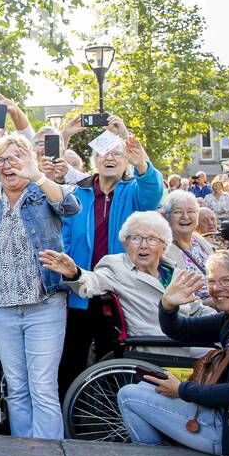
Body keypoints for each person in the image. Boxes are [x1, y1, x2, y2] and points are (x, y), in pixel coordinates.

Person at [117, 250, 229, 456]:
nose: (216, 289)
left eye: (227, 280)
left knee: (129, 396)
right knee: (144, 388)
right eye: (211, 281)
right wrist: (168, 306)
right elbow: (181, 330)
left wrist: (182, 390)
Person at [0, 135, 80, 439]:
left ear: (28, 161)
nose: (8, 165)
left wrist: (37, 174)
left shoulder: (41, 192)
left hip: (44, 304)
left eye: (16, 158)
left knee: (42, 387)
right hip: (0, 306)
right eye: (1, 160)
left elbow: (71, 205)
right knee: (17, 386)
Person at [57, 117, 160, 391]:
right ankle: (71, 419)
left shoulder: (132, 193)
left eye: (117, 153)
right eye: (104, 153)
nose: (110, 158)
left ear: (126, 161)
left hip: (119, 291)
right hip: (80, 288)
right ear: (94, 160)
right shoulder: (78, 194)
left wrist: (129, 141)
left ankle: (115, 416)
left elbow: (153, 190)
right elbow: (63, 235)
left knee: (115, 357)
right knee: (72, 358)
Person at [38, 210, 214, 356]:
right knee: (223, 357)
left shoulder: (173, 271)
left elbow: (197, 309)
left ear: (164, 245)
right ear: (125, 243)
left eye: (152, 239)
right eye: (136, 238)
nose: (143, 245)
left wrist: (227, 322)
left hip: (185, 339)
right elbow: (93, 282)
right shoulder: (115, 266)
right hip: (157, 345)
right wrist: (75, 273)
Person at [162, 190, 216, 300]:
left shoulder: (201, 240)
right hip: (194, 310)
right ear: (166, 217)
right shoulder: (162, 249)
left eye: (191, 211)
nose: (185, 217)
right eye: (177, 212)